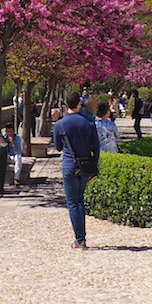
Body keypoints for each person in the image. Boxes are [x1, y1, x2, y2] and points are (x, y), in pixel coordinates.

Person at [53, 92, 99, 249]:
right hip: (85, 166)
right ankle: (82, 238)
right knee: (80, 200)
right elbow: (96, 148)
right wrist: (94, 167)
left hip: (69, 165)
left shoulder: (60, 124)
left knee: (73, 202)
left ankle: (80, 239)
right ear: (79, 104)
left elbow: (58, 147)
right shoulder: (89, 123)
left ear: (66, 104)